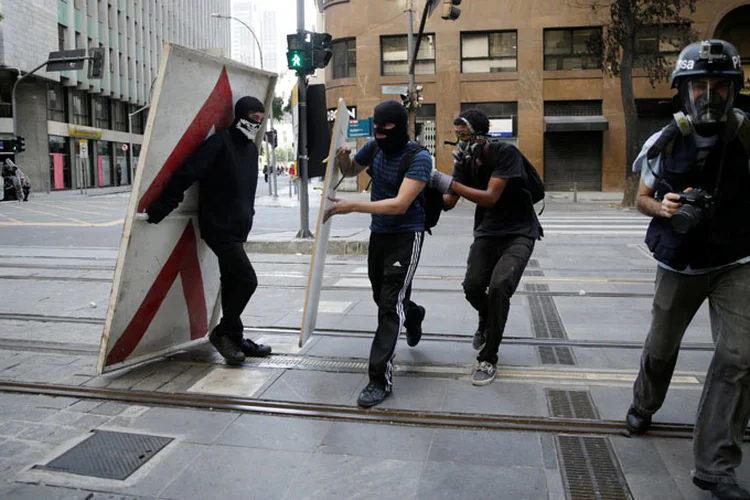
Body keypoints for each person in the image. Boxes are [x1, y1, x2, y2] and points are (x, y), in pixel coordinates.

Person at [626, 40, 750, 500]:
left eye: (720, 85)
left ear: (733, 89)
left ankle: (716, 466)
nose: (709, 94)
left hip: (737, 260)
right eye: (700, 84)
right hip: (679, 260)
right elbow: (641, 198)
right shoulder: (664, 140)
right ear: (684, 91)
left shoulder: (747, 135)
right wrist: (663, 208)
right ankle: (644, 402)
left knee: (739, 357)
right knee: (661, 347)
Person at [145, 96, 272, 365]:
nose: (257, 121)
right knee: (248, 280)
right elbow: (187, 172)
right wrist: (165, 204)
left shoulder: (250, 150)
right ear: (239, 115)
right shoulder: (218, 144)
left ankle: (234, 337)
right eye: (253, 115)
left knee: (232, 282)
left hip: (238, 228)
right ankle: (222, 332)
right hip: (218, 227)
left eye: (261, 117)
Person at [324, 100, 431, 408]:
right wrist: (343, 159)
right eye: (377, 128)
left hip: (406, 235)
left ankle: (378, 379)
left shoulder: (419, 157)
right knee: (382, 297)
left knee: (387, 306)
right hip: (379, 234)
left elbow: (400, 204)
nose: (381, 134)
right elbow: (351, 170)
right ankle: (414, 314)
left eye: (387, 129)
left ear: (400, 127)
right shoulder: (374, 145)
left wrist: (351, 206)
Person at [430, 109, 543, 386]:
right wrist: (423, 183)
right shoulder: (464, 163)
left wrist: (449, 182)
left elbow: (490, 197)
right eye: (456, 136)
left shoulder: (505, 153)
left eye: (464, 135)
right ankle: (486, 317)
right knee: (472, 286)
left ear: (480, 135)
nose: (460, 141)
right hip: (488, 232)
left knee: (500, 285)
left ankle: (488, 357)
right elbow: (448, 201)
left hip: (519, 232)